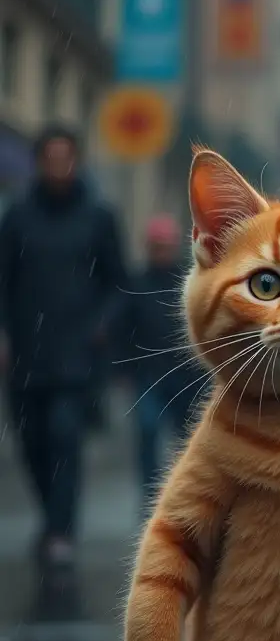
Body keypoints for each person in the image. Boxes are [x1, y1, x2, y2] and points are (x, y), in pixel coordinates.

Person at [0, 125, 126, 566]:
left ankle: (60, 532)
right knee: (31, 444)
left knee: (64, 438)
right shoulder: (17, 216)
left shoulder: (98, 217)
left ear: (77, 162)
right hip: (26, 353)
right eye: (50, 157)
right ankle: (50, 517)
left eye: (65, 157)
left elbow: (117, 284)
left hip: (76, 356)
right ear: (38, 163)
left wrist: (102, 325)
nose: (58, 165)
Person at [118, 215, 205, 512]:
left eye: (165, 247)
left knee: (188, 441)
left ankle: (185, 496)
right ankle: (151, 499)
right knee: (148, 432)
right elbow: (124, 331)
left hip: (187, 376)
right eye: (157, 247)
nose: (161, 253)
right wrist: (124, 371)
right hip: (148, 378)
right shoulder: (136, 284)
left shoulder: (188, 281)